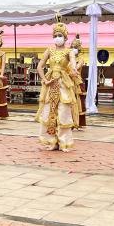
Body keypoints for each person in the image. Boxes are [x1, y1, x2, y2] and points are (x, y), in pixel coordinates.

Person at [35, 17, 80, 152]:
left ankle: (63, 142)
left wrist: (74, 68)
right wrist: (44, 79)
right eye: (55, 36)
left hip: (63, 83)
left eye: (59, 35)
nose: (57, 38)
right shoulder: (49, 50)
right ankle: (51, 141)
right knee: (48, 111)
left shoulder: (69, 51)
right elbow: (39, 66)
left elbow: (72, 62)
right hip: (51, 83)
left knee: (63, 112)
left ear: (65, 38)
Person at [71, 34, 87, 129]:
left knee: (78, 103)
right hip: (68, 80)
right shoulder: (69, 57)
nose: (73, 49)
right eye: (72, 47)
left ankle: (78, 122)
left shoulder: (80, 58)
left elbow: (76, 67)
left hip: (77, 81)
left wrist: (72, 68)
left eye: (75, 47)